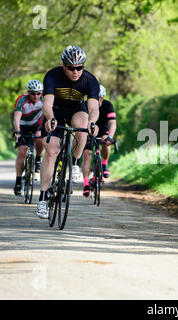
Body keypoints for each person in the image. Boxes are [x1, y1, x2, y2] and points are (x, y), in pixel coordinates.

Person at [36, 45, 100, 218]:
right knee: (51, 151)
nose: (75, 71)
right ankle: (42, 199)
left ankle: (75, 163)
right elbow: (47, 104)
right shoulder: (52, 76)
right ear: (64, 66)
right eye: (71, 68)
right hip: (55, 111)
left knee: (83, 128)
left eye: (79, 67)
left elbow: (93, 108)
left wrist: (93, 122)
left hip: (76, 110)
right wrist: (50, 119)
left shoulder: (90, 80)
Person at [81, 84, 117, 197]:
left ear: (103, 97)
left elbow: (112, 123)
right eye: (95, 98)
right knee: (87, 154)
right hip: (88, 129)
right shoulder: (84, 105)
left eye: (100, 98)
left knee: (105, 141)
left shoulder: (108, 105)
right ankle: (86, 183)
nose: (98, 100)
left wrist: (110, 136)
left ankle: (104, 163)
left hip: (103, 129)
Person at [12, 80, 44, 196]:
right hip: (22, 127)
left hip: (37, 126)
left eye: (38, 93)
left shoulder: (44, 100)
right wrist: (17, 131)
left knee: (40, 138)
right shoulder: (22, 100)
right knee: (22, 152)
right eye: (33, 93)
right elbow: (16, 118)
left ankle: (38, 159)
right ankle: (18, 181)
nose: (36, 96)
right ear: (28, 93)